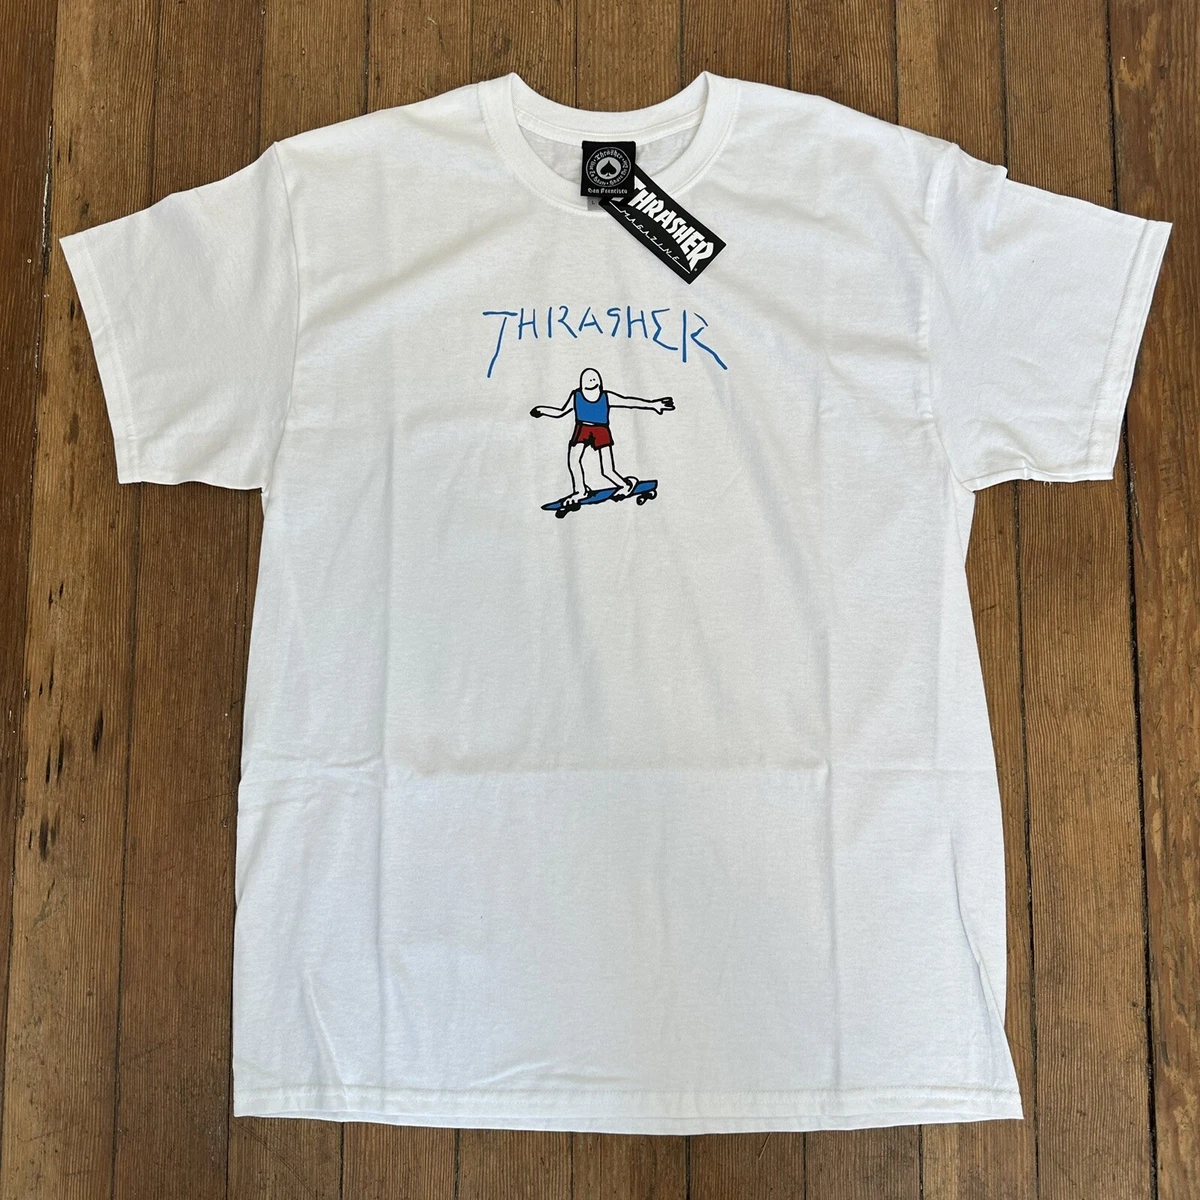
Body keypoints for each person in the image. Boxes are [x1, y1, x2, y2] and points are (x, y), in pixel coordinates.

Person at [531, 367, 674, 502]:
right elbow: (561, 412)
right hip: (582, 428)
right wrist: (542, 410)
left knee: (607, 470)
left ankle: (625, 485)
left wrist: (653, 404)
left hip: (600, 430)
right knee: (574, 461)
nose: (592, 386)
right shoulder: (576, 396)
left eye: (594, 382)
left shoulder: (606, 396)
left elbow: (628, 402)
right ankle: (580, 490)